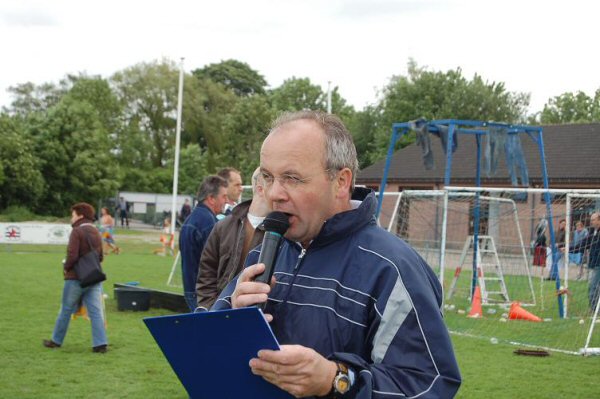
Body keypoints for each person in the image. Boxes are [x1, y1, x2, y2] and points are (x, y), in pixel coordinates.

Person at [212, 111, 461, 398]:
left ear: (341, 182)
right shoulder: (264, 254)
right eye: (268, 177)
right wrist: (231, 315)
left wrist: (336, 380)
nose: (273, 194)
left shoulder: (392, 270)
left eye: (292, 178)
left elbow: (429, 385)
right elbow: (209, 352)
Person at [195, 167, 271, 310]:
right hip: (219, 316)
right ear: (260, 188)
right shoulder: (223, 227)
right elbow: (206, 274)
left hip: (260, 318)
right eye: (273, 181)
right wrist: (213, 309)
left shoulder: (285, 231)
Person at [43, 202, 108, 353]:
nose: (71, 218)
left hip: (76, 278)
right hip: (94, 277)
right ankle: (100, 344)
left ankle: (56, 341)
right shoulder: (97, 232)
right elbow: (100, 257)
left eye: (73, 215)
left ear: (80, 216)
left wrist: (66, 267)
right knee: (96, 313)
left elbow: (72, 255)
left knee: (66, 309)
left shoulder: (77, 232)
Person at [179, 175, 229, 311]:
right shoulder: (208, 222)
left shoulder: (191, 219)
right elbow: (215, 262)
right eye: (224, 196)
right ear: (211, 198)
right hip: (204, 293)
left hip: (191, 287)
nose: (227, 200)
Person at [566, 212, 600, 311]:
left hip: (599, 265)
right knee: (594, 287)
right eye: (591, 219)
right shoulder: (592, 232)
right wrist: (568, 249)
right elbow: (583, 245)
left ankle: (594, 310)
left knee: (593, 287)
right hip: (594, 264)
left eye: (593, 220)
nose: (591, 221)